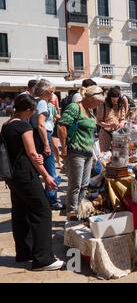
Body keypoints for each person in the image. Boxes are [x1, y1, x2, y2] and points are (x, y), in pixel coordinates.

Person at [1, 94, 64, 271]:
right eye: (34, 110)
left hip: (12, 175)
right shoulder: (24, 126)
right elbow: (32, 155)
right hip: (25, 174)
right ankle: (43, 259)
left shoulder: (7, 125)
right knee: (42, 210)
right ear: (28, 110)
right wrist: (46, 176)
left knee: (20, 212)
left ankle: (24, 252)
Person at [58, 85, 105, 220]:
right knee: (75, 185)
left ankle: (81, 211)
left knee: (84, 185)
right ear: (90, 98)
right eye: (98, 101)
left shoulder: (90, 111)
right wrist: (64, 147)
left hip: (88, 152)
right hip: (75, 151)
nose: (99, 104)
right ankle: (71, 214)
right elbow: (62, 126)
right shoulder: (75, 107)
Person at [30, 79, 63, 210]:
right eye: (51, 91)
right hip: (44, 136)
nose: (53, 94)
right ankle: (52, 201)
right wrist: (46, 144)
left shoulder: (35, 101)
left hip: (37, 137)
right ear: (45, 91)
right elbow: (41, 124)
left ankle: (46, 200)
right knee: (51, 172)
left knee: (44, 171)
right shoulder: (42, 102)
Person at [96, 86, 127, 152]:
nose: (115, 102)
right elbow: (98, 121)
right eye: (113, 100)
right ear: (109, 98)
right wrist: (108, 125)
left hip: (118, 133)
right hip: (105, 133)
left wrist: (121, 123)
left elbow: (123, 118)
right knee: (105, 156)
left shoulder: (120, 105)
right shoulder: (103, 105)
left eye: (116, 100)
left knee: (118, 155)